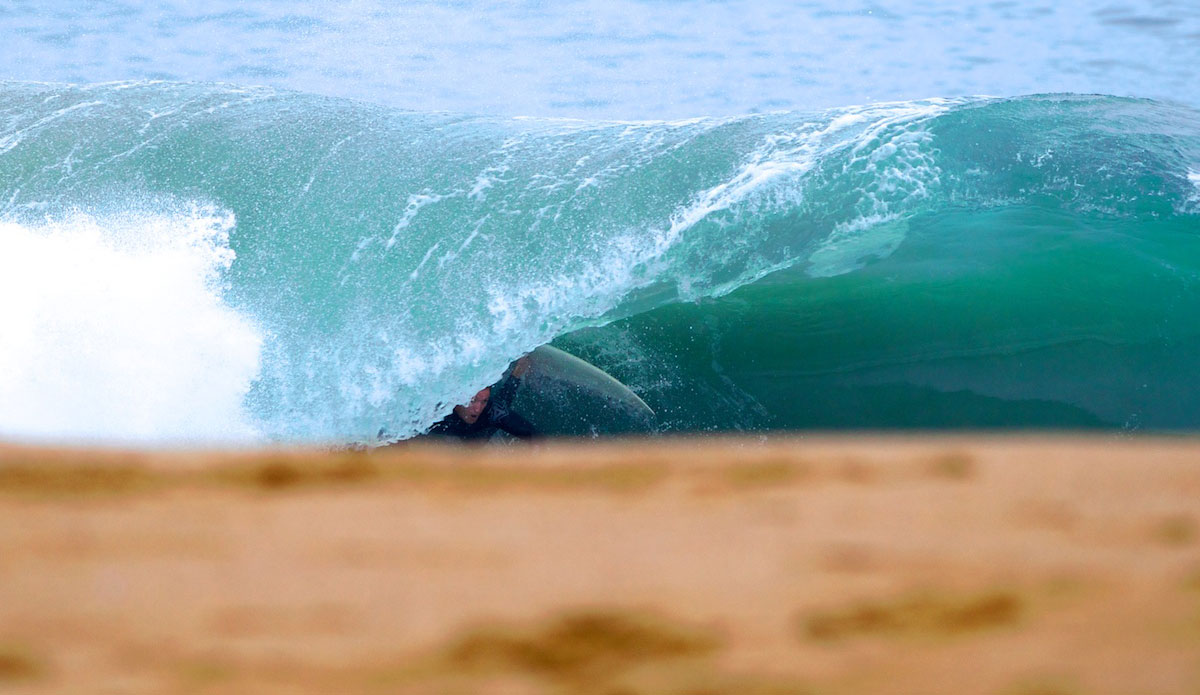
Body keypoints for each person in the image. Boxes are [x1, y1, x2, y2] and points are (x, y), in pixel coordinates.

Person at [422, 355, 537, 440]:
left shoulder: (492, 411)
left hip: (478, 437)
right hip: (446, 436)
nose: (478, 409)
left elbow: (534, 436)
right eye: (472, 401)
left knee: (499, 410)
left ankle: (517, 372)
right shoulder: (436, 414)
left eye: (484, 401)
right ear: (457, 399)